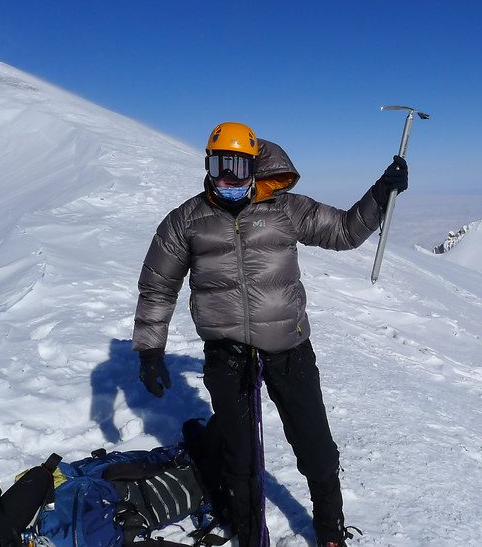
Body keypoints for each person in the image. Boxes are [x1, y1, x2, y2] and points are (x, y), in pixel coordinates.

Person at [131, 122, 408, 547]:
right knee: (240, 457)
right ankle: (247, 534)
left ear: (254, 167)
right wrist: (150, 350)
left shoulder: (286, 209)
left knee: (316, 447)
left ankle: (331, 533)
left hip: (288, 347)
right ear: (208, 165)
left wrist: (379, 195)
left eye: (238, 166)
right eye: (220, 165)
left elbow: (345, 231)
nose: (229, 177)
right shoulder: (187, 220)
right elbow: (158, 285)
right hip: (227, 353)